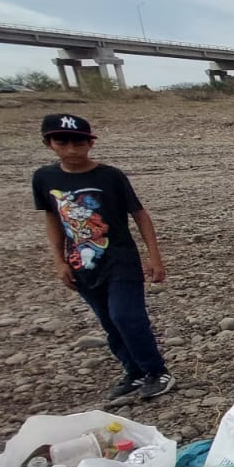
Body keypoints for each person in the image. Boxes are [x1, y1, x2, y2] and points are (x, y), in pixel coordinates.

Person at [32, 114, 174, 400]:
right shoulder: (44, 178)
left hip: (120, 259)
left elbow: (140, 215)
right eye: (62, 141)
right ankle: (133, 373)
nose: (71, 149)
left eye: (78, 142)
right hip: (81, 264)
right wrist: (58, 261)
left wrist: (154, 257)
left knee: (126, 315)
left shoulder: (110, 176)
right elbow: (53, 217)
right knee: (108, 321)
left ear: (90, 143)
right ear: (49, 143)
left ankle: (157, 371)